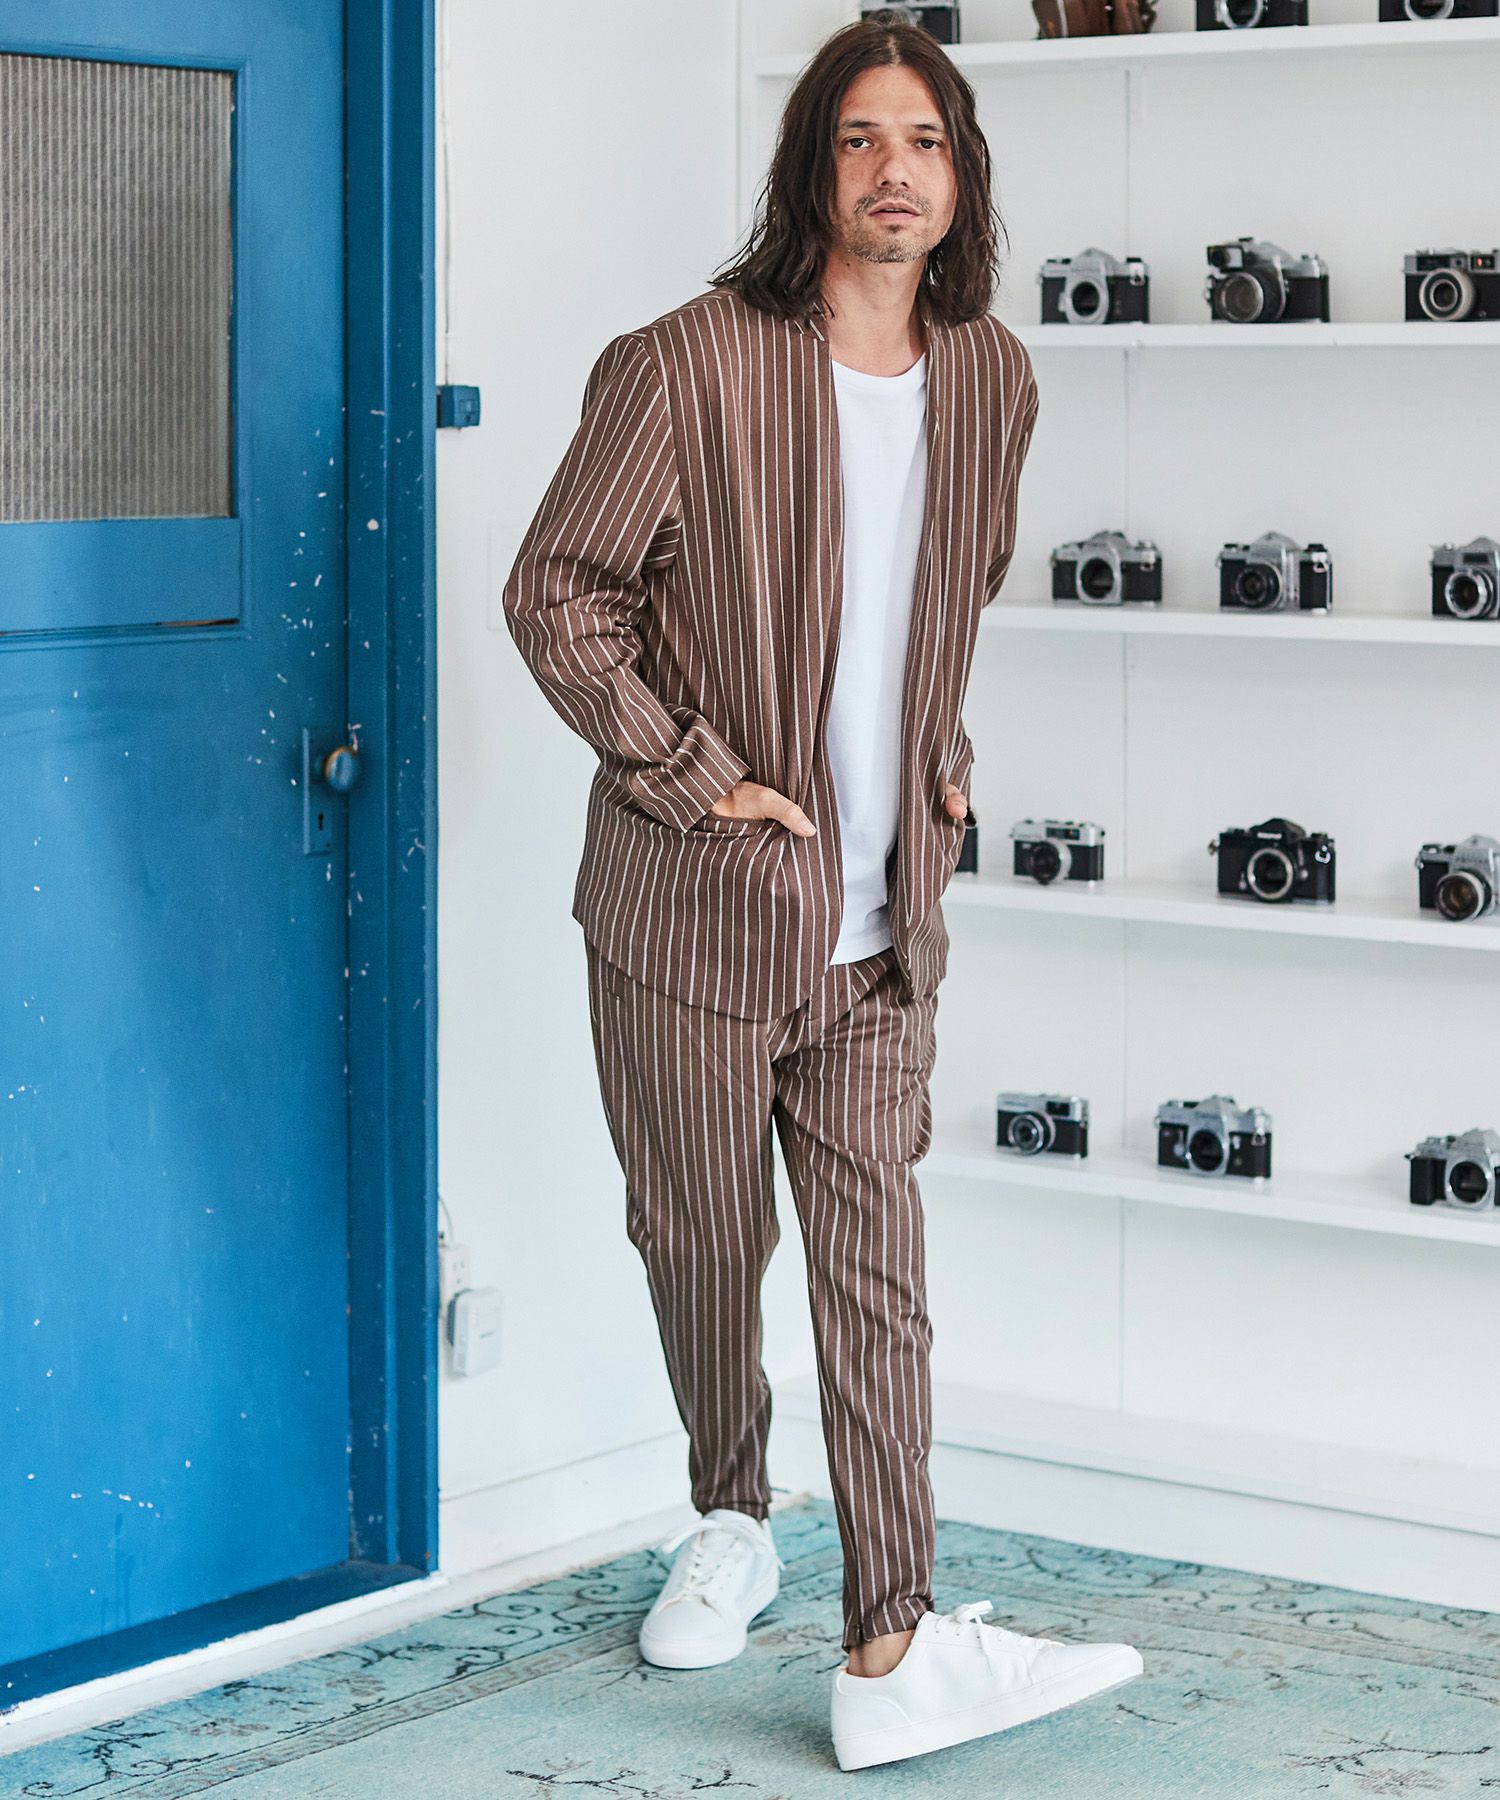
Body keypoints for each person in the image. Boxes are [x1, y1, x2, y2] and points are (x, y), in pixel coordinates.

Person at [501, 13, 1144, 1774]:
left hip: (879, 929)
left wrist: (941, 757)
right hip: (694, 919)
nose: (894, 173)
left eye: (925, 141)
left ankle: (894, 1639)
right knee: (703, 1245)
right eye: (860, 139)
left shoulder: (994, 376)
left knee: (879, 1276)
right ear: (811, 169)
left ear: (964, 176)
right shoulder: (685, 364)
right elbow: (556, 593)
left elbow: (953, 598)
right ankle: (731, 1511)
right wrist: (693, 774)